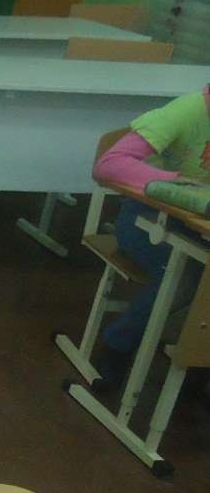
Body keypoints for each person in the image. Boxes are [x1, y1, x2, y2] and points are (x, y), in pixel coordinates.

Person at [90, 84, 210, 390]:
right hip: (145, 219)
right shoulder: (188, 110)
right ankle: (118, 345)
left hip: (199, 224)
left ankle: (198, 361)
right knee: (184, 277)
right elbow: (109, 164)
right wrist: (178, 183)